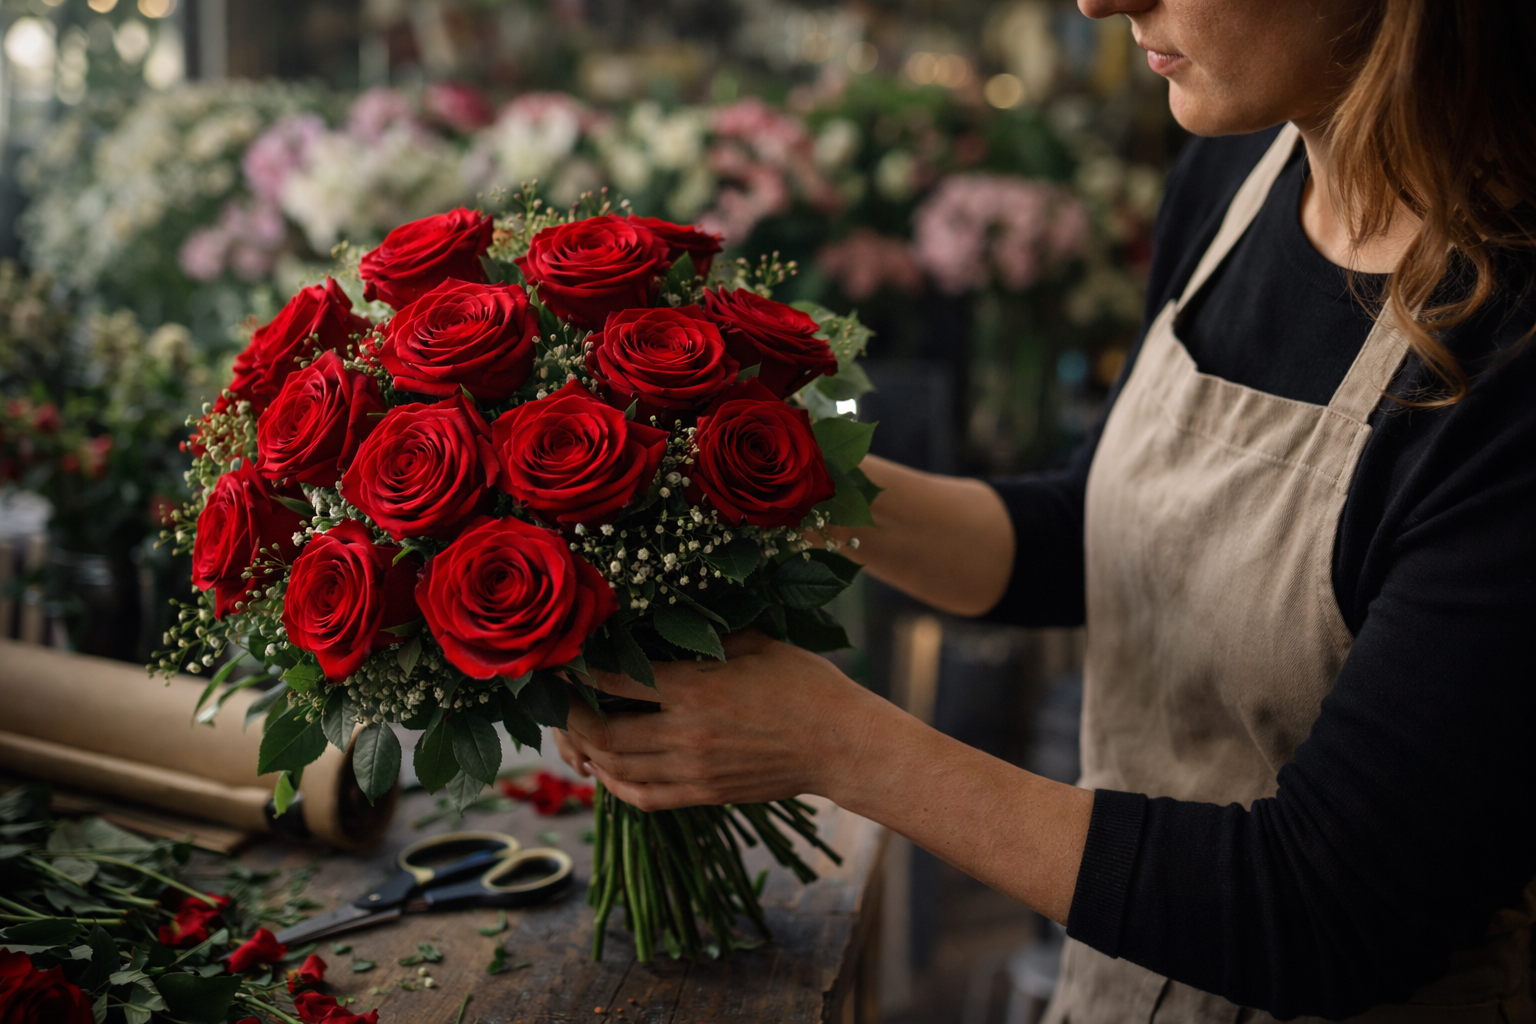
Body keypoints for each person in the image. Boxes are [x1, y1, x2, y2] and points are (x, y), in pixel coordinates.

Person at [555, 0, 1536, 1019]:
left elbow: (1331, 912)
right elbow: (1099, 536)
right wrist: (772, 477)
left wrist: (840, 746)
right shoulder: (1237, 174)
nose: (1099, 2)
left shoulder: (1509, 364)